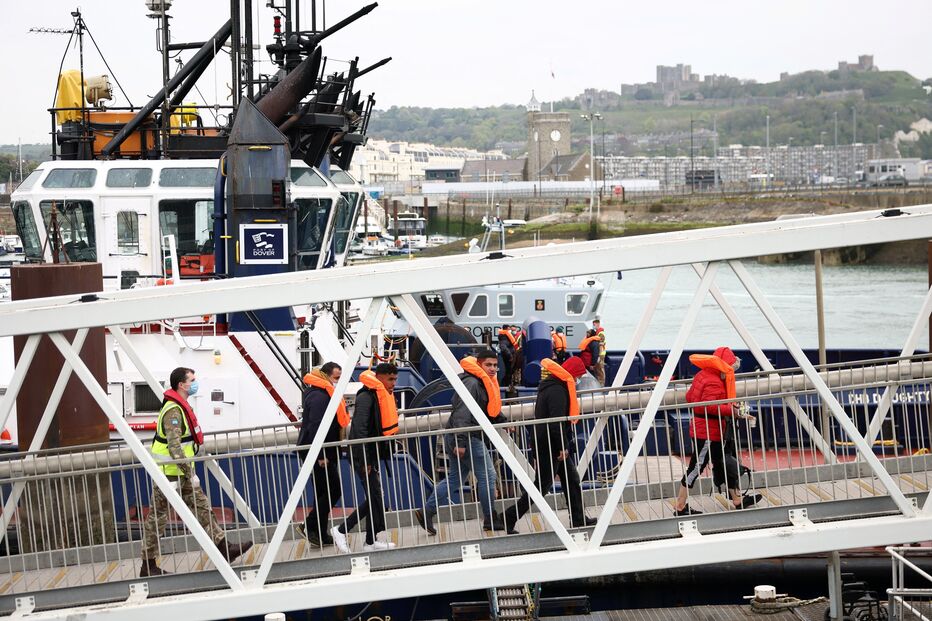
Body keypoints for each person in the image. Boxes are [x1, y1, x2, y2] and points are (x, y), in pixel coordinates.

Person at [140, 367, 252, 577]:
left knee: (203, 508)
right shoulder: (173, 410)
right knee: (157, 518)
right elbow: (174, 447)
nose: (195, 382)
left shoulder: (180, 406)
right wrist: (189, 473)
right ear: (182, 385)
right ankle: (148, 565)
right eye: (192, 380)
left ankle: (225, 548)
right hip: (169, 475)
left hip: (180, 473)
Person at [416, 350, 508, 535]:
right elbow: (462, 413)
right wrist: (460, 442)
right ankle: (490, 519)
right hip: (467, 437)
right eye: (488, 365)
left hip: (460, 435)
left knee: (455, 478)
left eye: (495, 365)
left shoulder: (479, 382)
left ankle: (427, 511)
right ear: (479, 364)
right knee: (488, 477)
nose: (492, 369)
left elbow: (484, 409)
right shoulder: (473, 383)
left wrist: (504, 421)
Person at [504, 356, 596, 531]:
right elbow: (556, 422)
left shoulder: (552, 385)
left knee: (572, 480)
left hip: (550, 442)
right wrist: (561, 447)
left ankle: (578, 519)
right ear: (572, 374)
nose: (577, 381)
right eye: (577, 377)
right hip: (550, 444)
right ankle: (508, 517)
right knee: (542, 486)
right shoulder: (558, 391)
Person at [673, 347, 762, 516]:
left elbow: (690, 397)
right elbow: (710, 406)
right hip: (707, 432)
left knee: (722, 462)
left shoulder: (702, 375)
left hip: (706, 429)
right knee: (695, 468)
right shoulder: (714, 381)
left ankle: (737, 500)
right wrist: (733, 411)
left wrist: (730, 408)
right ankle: (680, 506)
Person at [331, 363, 399, 553]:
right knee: (375, 498)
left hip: (372, 454)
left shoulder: (379, 395)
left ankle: (370, 541)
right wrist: (365, 461)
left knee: (376, 497)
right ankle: (341, 529)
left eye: (395, 379)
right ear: (379, 377)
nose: (393, 383)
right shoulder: (366, 397)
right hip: (363, 456)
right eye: (390, 379)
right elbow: (359, 430)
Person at [297, 362, 348, 547]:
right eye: (336, 378)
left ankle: (319, 533)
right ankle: (309, 525)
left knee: (322, 493)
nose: (338, 382)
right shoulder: (320, 397)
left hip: (319, 451)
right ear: (326, 376)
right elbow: (316, 427)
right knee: (333, 491)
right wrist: (321, 455)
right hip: (318, 453)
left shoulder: (321, 393)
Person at [592, 319, 607, 385]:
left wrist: (598, 356)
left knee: (600, 369)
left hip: (600, 354)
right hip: (600, 354)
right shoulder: (598, 332)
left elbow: (601, 345)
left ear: (597, 324)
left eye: (594, 324)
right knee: (598, 369)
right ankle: (599, 383)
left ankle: (601, 384)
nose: (593, 326)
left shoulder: (600, 333)